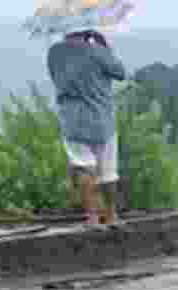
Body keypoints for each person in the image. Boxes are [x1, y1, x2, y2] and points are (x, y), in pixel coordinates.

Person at [46, 29, 126, 227]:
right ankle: (111, 216)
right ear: (86, 29)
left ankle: (92, 218)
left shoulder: (54, 53)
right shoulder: (97, 51)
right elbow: (120, 72)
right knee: (108, 172)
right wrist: (103, 45)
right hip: (102, 120)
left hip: (72, 121)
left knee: (83, 167)